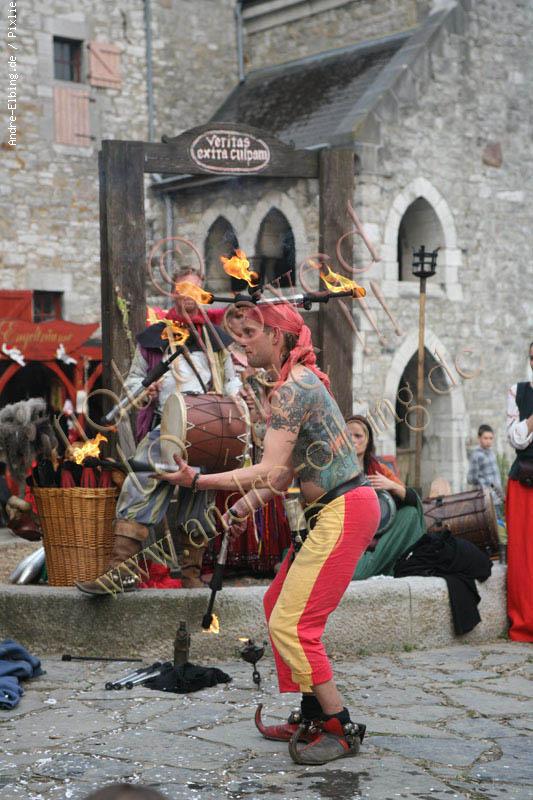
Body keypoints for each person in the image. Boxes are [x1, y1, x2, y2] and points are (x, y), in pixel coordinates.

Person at [159, 301, 380, 766]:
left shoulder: (295, 387)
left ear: (277, 336)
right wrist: (246, 503)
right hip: (334, 510)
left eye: (250, 334)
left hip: (345, 510)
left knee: (294, 625)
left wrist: (198, 480)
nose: (242, 342)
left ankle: (339, 727)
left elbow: (269, 467)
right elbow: (284, 475)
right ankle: (311, 715)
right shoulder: (295, 382)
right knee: (276, 604)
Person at [76, 268, 241, 594]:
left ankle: (191, 575)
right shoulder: (155, 339)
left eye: (195, 291)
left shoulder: (215, 340)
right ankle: (121, 571)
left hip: (207, 431)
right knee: (138, 486)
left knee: (199, 503)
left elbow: (231, 381)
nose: (189, 297)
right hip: (164, 430)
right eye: (183, 290)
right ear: (173, 294)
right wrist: (144, 391)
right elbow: (133, 383)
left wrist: (237, 398)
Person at [346, 415, 425, 579]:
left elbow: (412, 499)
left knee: (410, 513)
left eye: (358, 436)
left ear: (368, 441)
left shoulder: (379, 470)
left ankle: (396, 563)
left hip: (380, 539)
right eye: (348, 435)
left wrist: (391, 485)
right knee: (355, 574)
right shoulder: (333, 471)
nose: (353, 440)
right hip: (348, 540)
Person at [505, 341, 533, 642]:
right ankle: (526, 623)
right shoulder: (518, 391)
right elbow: (515, 439)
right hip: (526, 482)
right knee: (523, 554)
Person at [467, 424, 504, 518]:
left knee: (499, 524)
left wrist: (501, 495)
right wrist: (483, 484)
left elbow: (496, 478)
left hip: (496, 499)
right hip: (485, 500)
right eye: (485, 438)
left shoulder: (491, 453)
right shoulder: (476, 455)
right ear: (479, 438)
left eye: (491, 438)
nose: (488, 441)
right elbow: (471, 479)